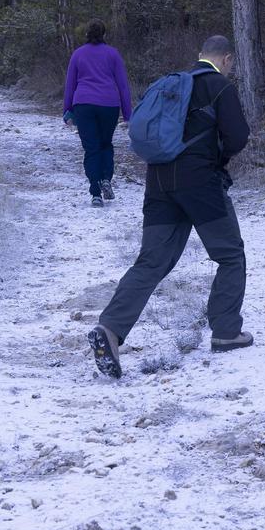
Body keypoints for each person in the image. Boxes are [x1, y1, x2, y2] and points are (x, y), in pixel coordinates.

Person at [87, 35, 254, 378]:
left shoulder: (171, 84)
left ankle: (110, 329)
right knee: (230, 255)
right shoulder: (220, 87)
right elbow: (238, 136)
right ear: (227, 59)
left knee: (152, 261)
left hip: (159, 180)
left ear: (200, 54)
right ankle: (226, 331)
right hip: (200, 183)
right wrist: (216, 157)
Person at [63, 20, 133, 207]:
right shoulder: (113, 53)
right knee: (105, 144)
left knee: (91, 148)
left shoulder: (78, 54)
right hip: (109, 104)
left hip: (84, 104)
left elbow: (70, 84)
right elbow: (123, 85)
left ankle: (95, 193)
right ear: (104, 34)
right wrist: (128, 114)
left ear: (87, 34)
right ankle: (106, 179)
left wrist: (67, 110)